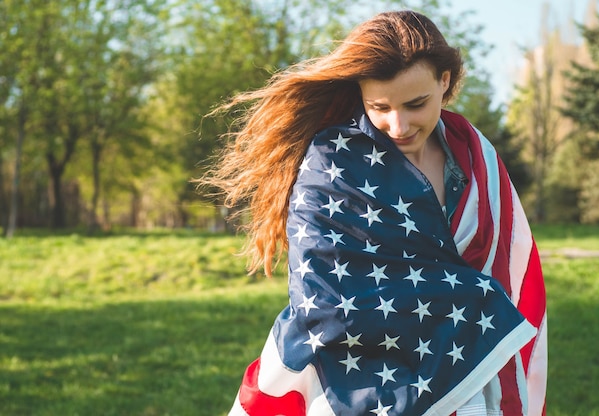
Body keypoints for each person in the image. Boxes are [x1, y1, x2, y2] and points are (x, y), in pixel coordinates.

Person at [200, 10, 547, 416]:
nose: (397, 125)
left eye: (416, 104)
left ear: (445, 81)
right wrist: (473, 299)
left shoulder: (476, 155)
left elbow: (509, 260)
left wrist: (472, 303)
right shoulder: (332, 164)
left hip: (469, 373)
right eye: (379, 106)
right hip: (358, 378)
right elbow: (324, 296)